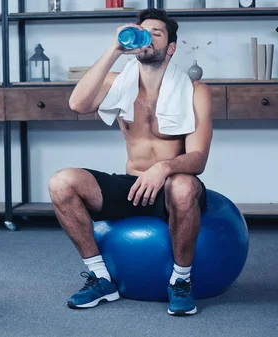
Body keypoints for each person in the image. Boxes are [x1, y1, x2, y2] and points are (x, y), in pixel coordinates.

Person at [48, 8, 213, 316]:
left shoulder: (195, 91)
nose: (147, 38)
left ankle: (181, 282)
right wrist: (114, 50)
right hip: (133, 184)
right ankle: (100, 278)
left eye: (157, 34)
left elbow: (198, 158)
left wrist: (163, 167)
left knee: (182, 188)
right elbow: (77, 104)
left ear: (171, 48)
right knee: (61, 182)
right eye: (143, 31)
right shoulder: (117, 81)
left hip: (171, 186)